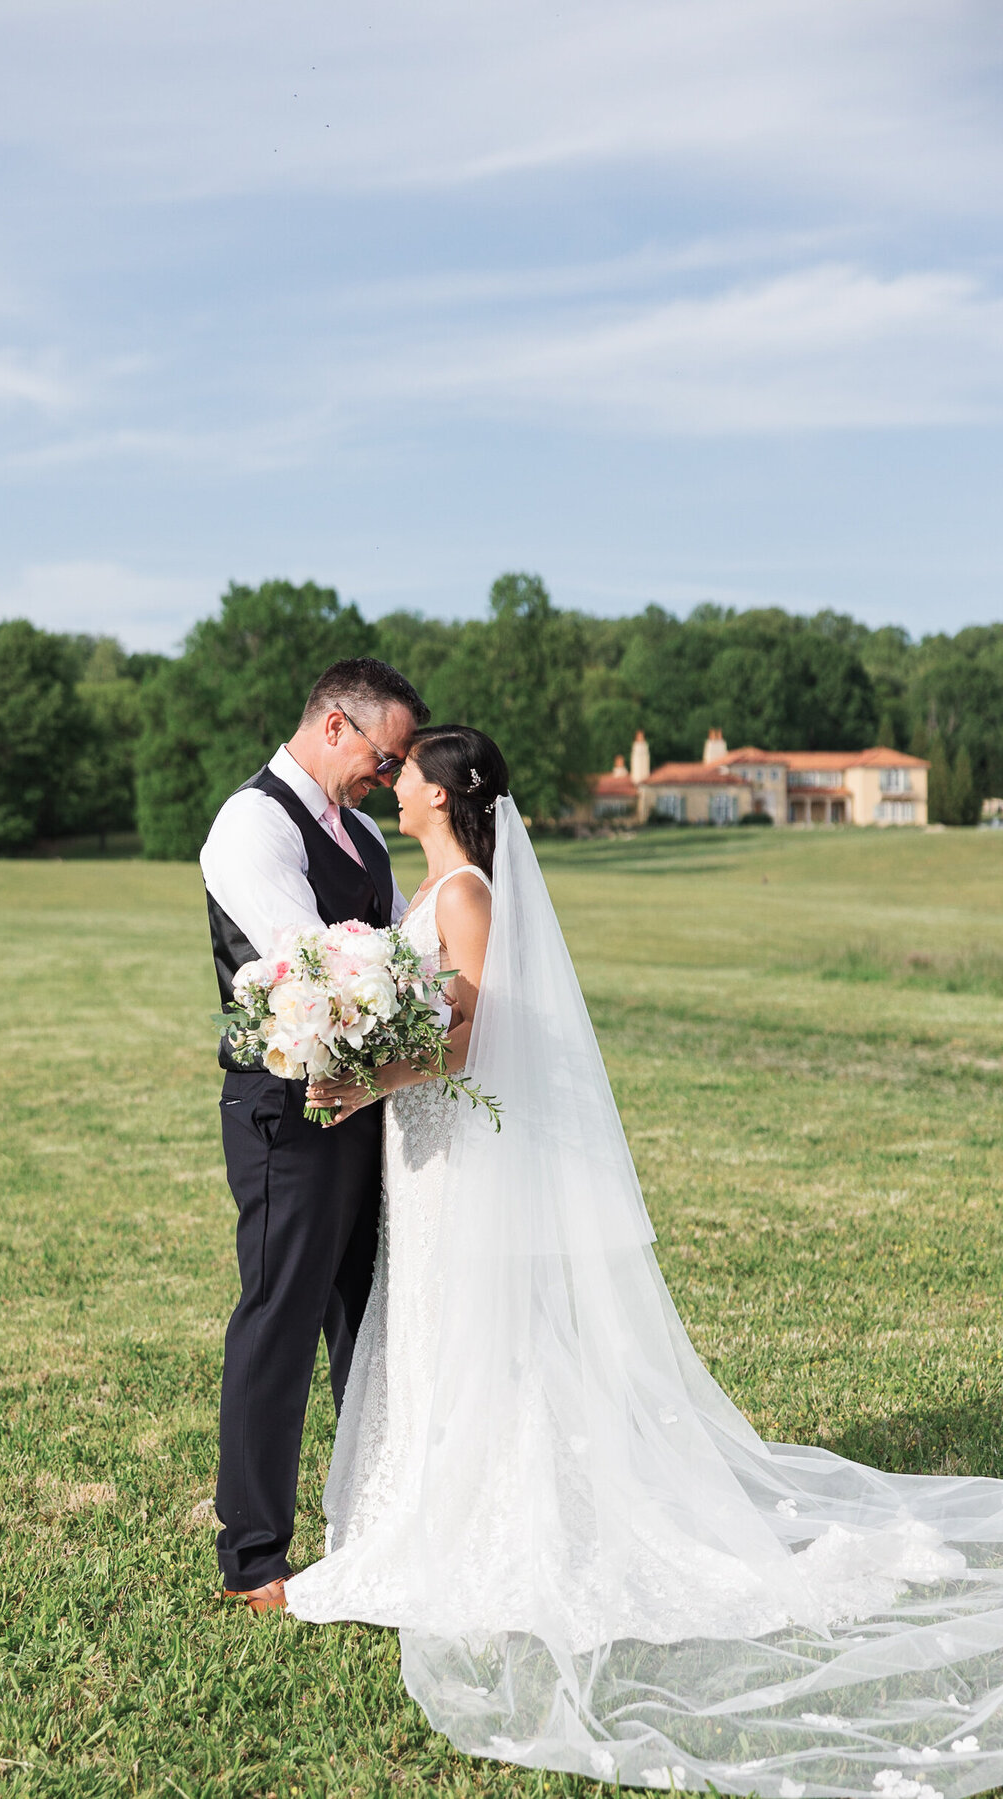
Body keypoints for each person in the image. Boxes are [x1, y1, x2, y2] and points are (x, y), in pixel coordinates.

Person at [286, 725, 1003, 1799]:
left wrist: (364, 1079)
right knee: (434, 1320)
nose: (396, 785)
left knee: (480, 1329)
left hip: (448, 1145)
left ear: (447, 793)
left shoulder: (469, 895)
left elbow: (464, 1044)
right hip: (424, 1155)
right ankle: (424, 1500)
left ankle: (491, 1514)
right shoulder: (429, 889)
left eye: (409, 774)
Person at [199, 658, 428, 1613]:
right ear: (336, 726)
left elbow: (402, 959)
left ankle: (370, 1522)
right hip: (285, 1111)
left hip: (368, 1106)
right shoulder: (253, 824)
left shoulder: (367, 834)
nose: (388, 776)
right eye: (385, 755)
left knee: (367, 1320)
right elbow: (315, 969)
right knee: (281, 1316)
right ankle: (253, 1555)